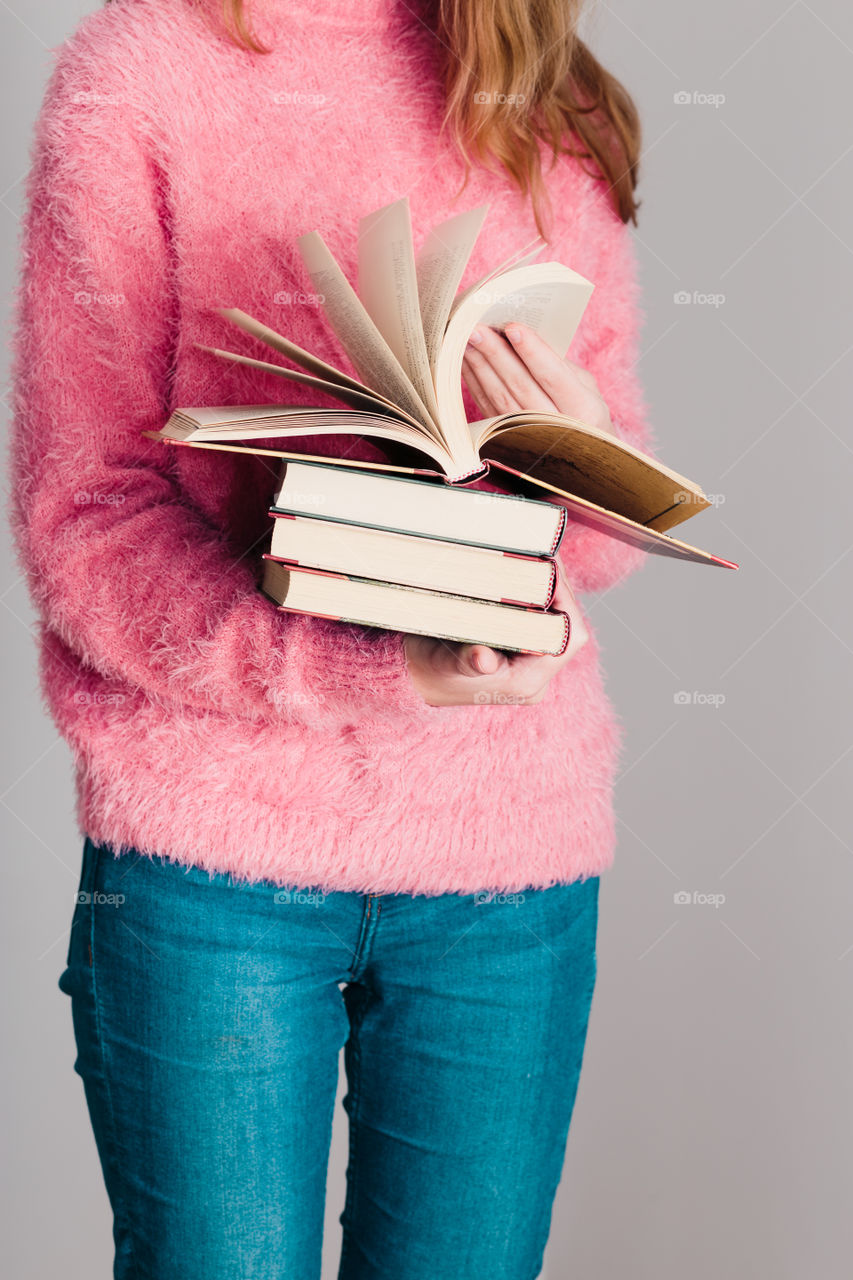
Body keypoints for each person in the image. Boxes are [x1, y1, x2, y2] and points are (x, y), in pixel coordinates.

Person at [11, 1, 651, 1276]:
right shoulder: (137, 75)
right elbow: (85, 515)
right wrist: (360, 666)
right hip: (210, 870)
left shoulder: (538, 84)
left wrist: (580, 458)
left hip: (506, 876)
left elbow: (599, 551)